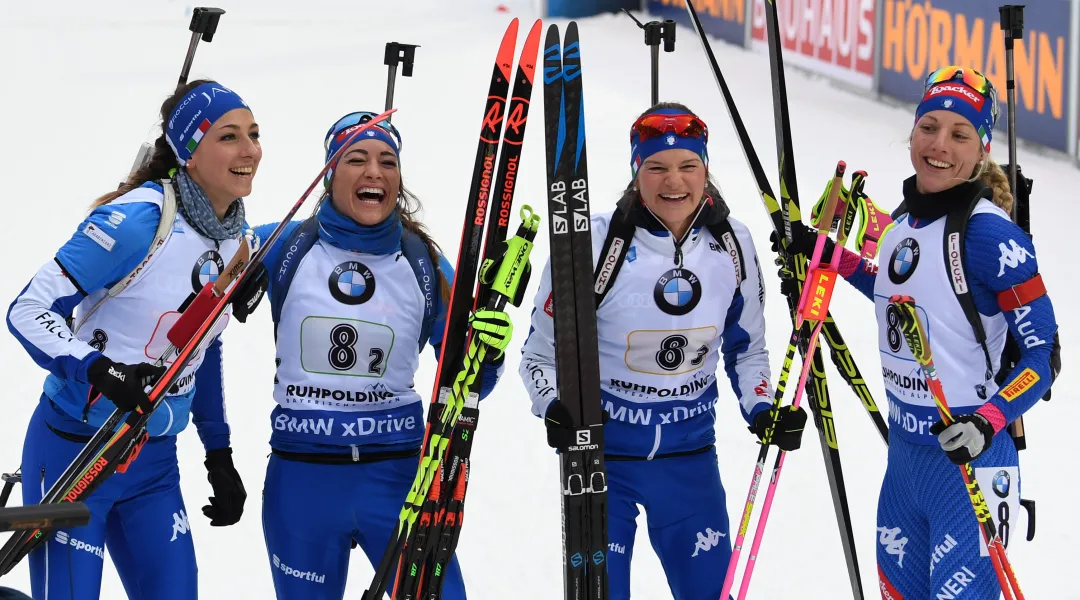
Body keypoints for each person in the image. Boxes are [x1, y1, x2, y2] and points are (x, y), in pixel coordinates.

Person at [781, 66, 1059, 598]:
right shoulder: (904, 222)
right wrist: (828, 255)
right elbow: (896, 292)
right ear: (911, 132)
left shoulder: (991, 236)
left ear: (981, 150)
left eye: (958, 135)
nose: (938, 145)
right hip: (905, 464)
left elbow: (1043, 355)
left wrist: (987, 421)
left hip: (972, 465)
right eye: (928, 127)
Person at [519, 103, 807, 600]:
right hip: (602, 463)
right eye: (656, 167)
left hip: (689, 460)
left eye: (687, 166)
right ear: (636, 172)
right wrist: (553, 407)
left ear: (705, 169)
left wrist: (763, 409)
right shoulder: (593, 242)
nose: (674, 182)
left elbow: (748, 351)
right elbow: (539, 356)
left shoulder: (733, 245)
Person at [5, 79, 265, 599]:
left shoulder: (239, 240)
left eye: (254, 134)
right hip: (73, 454)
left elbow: (202, 350)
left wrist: (218, 453)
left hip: (152, 463)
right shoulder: (137, 221)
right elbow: (27, 310)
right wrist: (98, 369)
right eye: (229, 136)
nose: (250, 151)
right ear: (190, 153)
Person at [255, 111, 512, 600]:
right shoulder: (283, 242)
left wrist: (490, 353)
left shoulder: (424, 262)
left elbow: (471, 384)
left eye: (387, 161)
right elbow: (200, 279)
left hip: (398, 483)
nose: (374, 171)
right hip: (302, 482)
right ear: (330, 173)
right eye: (356, 158)